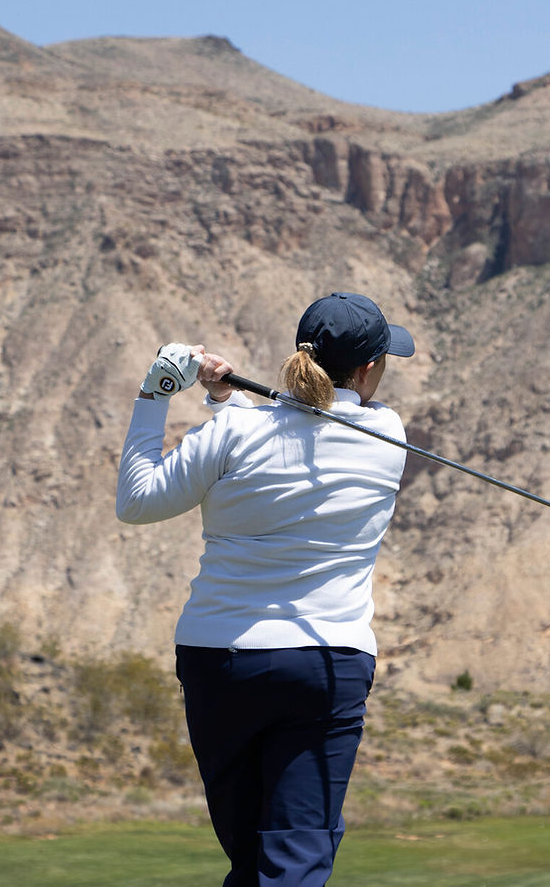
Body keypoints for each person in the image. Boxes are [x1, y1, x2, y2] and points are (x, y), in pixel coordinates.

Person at [115, 292, 415, 887]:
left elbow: (138, 500)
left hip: (218, 663)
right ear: (367, 370)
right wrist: (230, 401)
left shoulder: (232, 432)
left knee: (250, 859)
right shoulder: (388, 435)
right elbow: (304, 426)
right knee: (293, 858)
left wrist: (159, 394)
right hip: (326, 663)